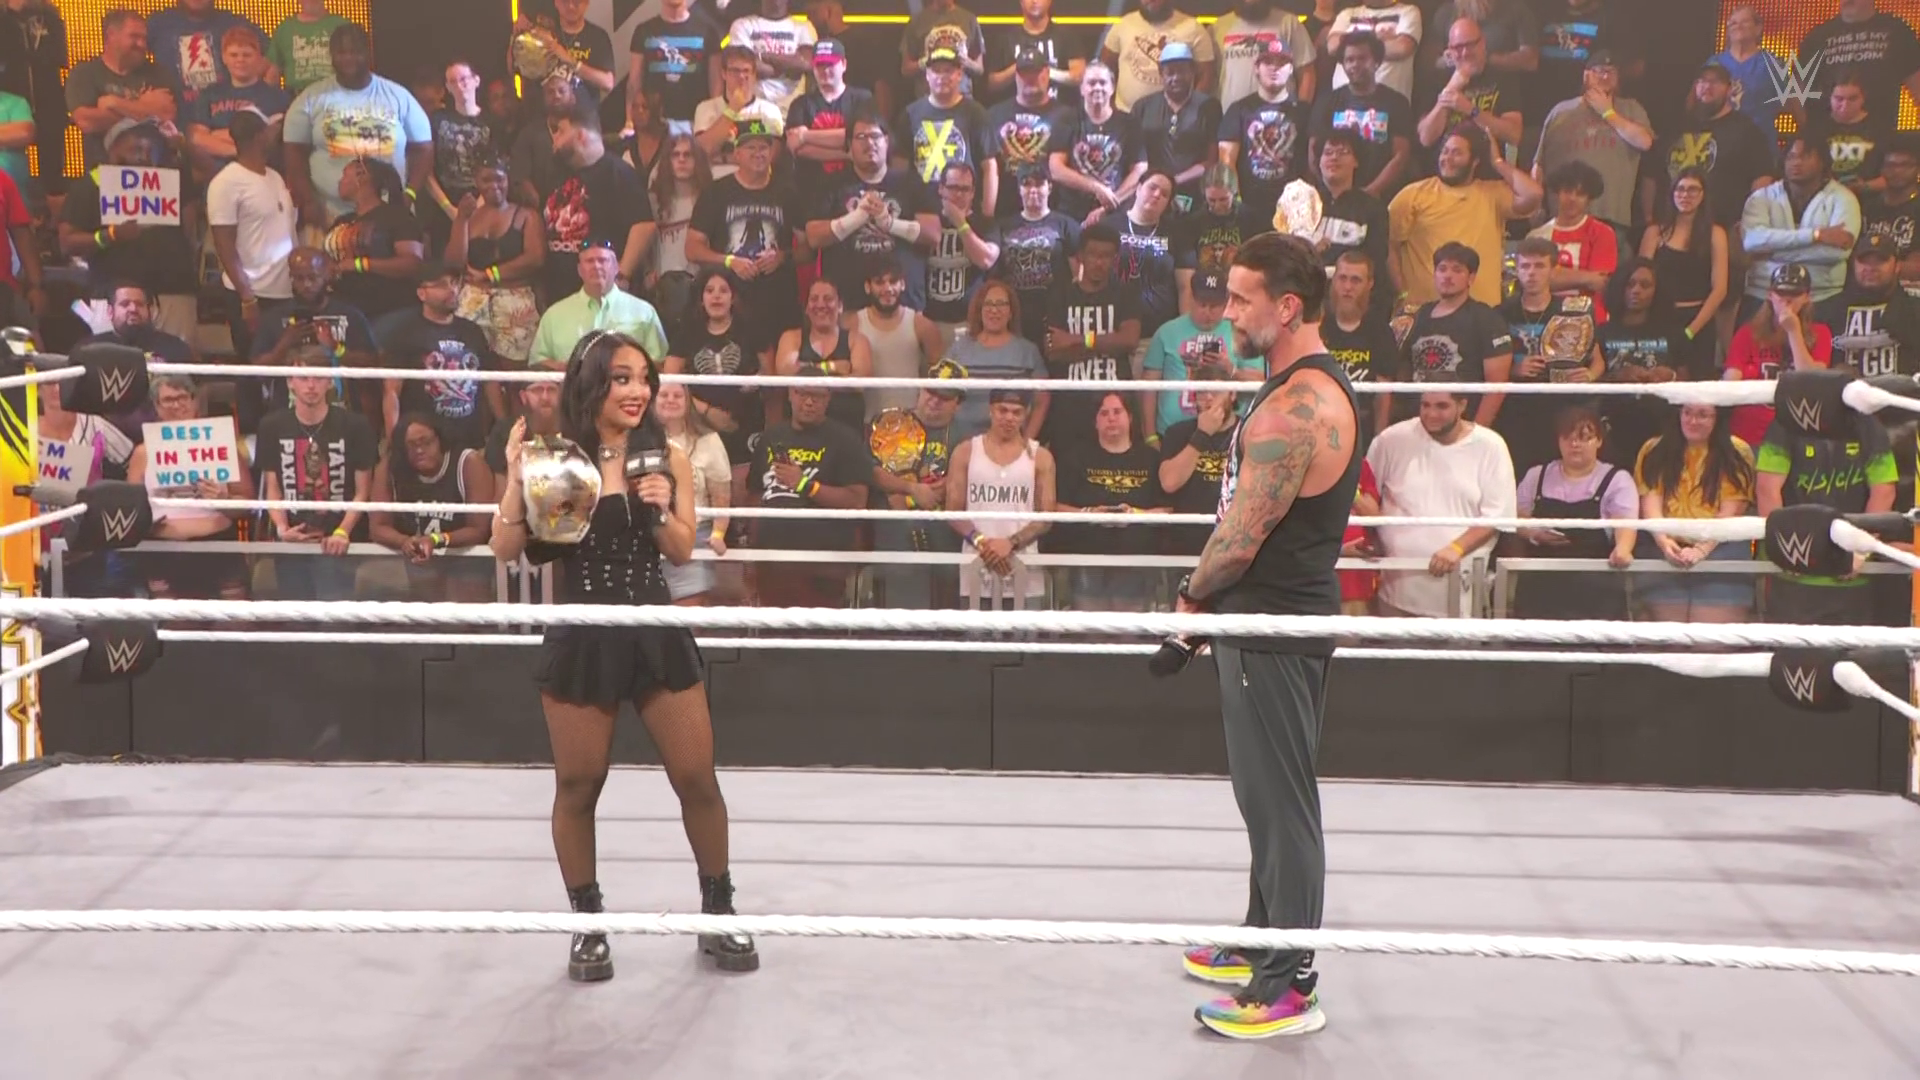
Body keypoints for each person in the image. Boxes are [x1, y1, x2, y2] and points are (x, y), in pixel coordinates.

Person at [487, 329, 758, 983]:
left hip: (654, 628)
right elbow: (506, 549)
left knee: (697, 777)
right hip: (584, 633)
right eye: (623, 379)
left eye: (644, 379)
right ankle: (588, 924)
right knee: (579, 786)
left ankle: (718, 910)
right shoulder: (557, 459)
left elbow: (682, 550)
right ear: (593, 387)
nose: (639, 391)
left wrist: (659, 509)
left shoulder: (667, 458)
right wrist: (518, 478)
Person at [1174, 232, 1359, 1040]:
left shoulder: (1297, 406)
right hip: (1267, 618)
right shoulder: (1290, 387)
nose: (1227, 312)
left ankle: (1289, 986)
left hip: (1272, 622)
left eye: (1241, 298)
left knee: (1282, 805)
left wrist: (1190, 599)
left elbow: (1241, 536)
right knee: (1265, 797)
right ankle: (1262, 939)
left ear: (1286, 308)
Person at [284, 23, 431, 229]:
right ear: (332, 56)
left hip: (392, 214)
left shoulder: (398, 96)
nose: (348, 58)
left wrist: (410, 194)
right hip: (329, 215)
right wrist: (308, 200)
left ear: (368, 53)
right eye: (341, 53)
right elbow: (293, 152)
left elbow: (424, 148)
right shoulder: (310, 99)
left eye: (354, 52)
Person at [1508, 403, 1635, 620]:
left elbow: (1625, 523)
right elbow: (1515, 517)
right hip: (1539, 590)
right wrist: (1535, 532)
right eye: (1568, 438)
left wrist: (1623, 549)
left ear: (1599, 441)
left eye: (1584, 438)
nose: (1575, 444)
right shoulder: (1536, 475)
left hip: (1597, 591)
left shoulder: (1617, 479)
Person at [1633, 403, 1755, 624]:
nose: (1692, 421)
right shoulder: (1653, 449)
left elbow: (1731, 511)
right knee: (1670, 637)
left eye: (1703, 415)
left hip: (1721, 544)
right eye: (1687, 412)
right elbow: (1650, 505)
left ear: (1718, 418)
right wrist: (1664, 542)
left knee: (1708, 639)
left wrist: (1701, 549)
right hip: (1664, 544)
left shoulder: (1737, 451)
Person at [368, 412, 495, 603]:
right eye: (412, 445)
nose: (420, 450)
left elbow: (480, 529)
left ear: (440, 439)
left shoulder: (468, 463)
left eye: (426, 442)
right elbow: (377, 527)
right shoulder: (390, 468)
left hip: (466, 557)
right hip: (414, 562)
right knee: (375, 579)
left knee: (463, 592)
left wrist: (436, 540)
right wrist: (404, 541)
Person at [447, 156, 545, 368]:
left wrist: (490, 274)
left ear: (508, 180)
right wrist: (461, 219)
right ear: (476, 182)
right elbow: (455, 262)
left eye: (499, 179)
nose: (494, 185)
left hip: (514, 299)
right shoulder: (470, 216)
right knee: (468, 363)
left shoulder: (526, 215)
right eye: (486, 180)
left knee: (513, 370)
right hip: (473, 298)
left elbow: (535, 258)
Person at [654, 382, 732, 605]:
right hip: (649, 536)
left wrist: (718, 534)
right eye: (664, 395)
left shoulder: (709, 441)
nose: (670, 400)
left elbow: (721, 496)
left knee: (687, 618)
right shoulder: (637, 437)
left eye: (677, 395)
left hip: (695, 535)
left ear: (688, 402)